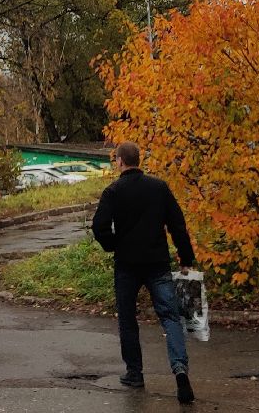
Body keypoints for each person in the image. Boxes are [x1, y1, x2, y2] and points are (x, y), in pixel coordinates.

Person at [91, 141, 197, 405]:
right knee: (170, 317)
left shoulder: (113, 191)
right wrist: (186, 259)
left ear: (119, 161)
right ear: (139, 160)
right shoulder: (159, 188)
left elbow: (99, 227)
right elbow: (178, 225)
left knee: (127, 318)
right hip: (157, 262)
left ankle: (134, 373)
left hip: (127, 265)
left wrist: (114, 244)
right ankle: (180, 369)